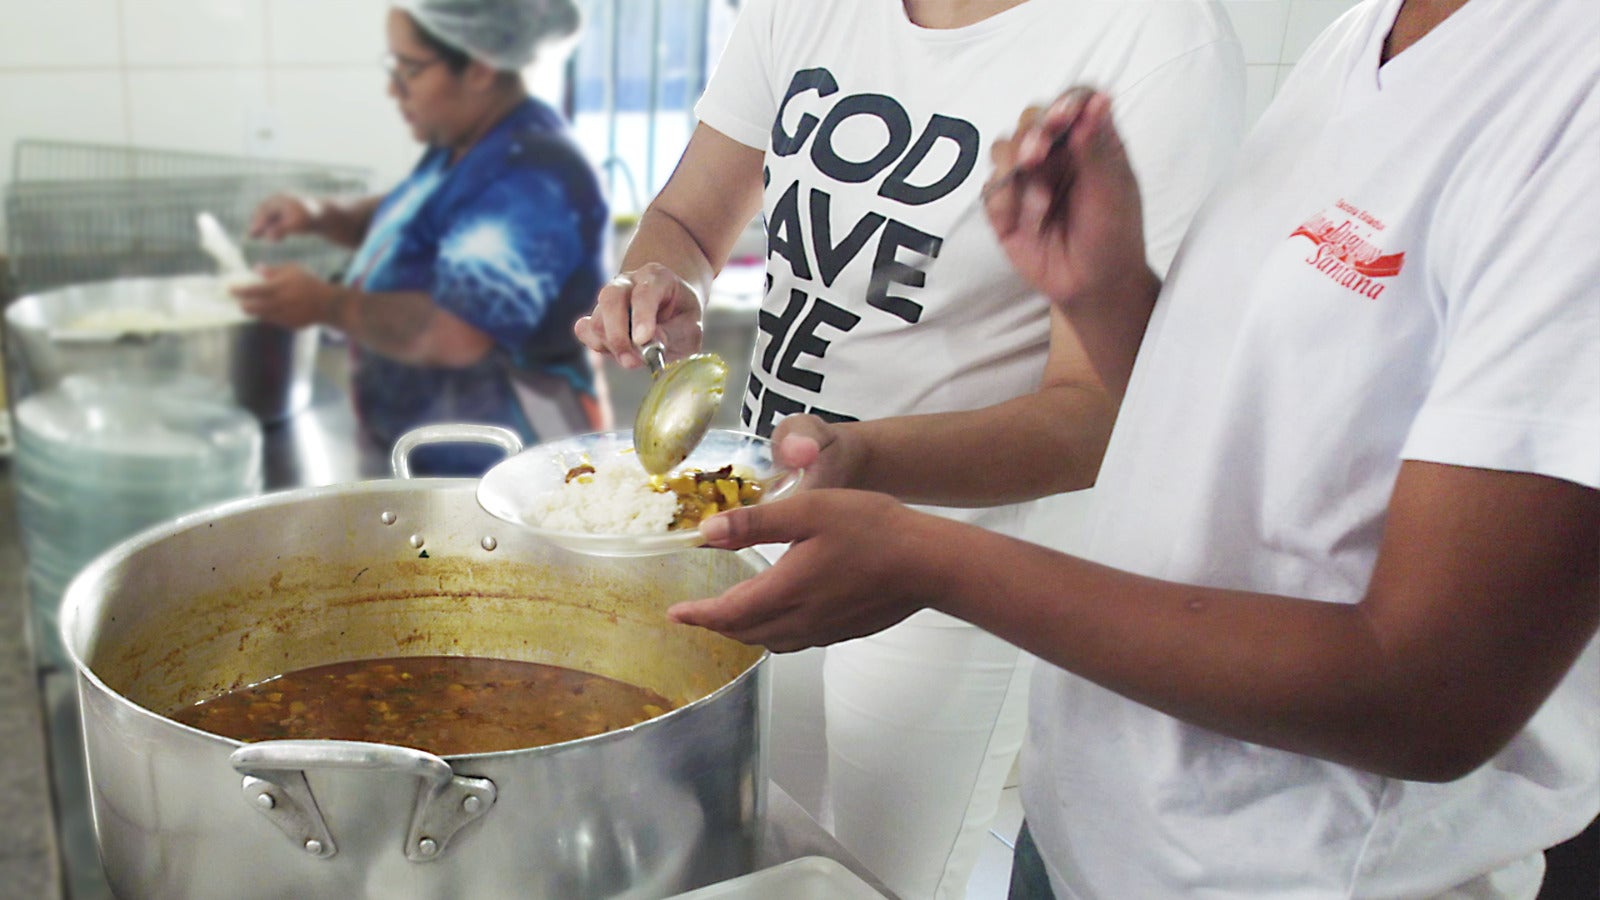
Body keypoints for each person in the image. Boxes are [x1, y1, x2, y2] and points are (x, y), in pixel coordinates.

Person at [663, 0, 1600, 896]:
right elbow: (1227, 425)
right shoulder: (1365, 40)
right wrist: (1106, 293)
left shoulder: (1567, 106)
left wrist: (936, 560)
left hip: (1287, 872)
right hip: (1096, 828)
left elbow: (1429, 694)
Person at [575, 1, 1245, 896]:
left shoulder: (1153, 39)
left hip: (957, 562)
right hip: (758, 506)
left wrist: (862, 458)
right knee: (749, 845)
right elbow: (690, 224)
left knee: (873, 876)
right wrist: (655, 278)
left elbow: (1098, 412)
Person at [238, 0, 609, 476]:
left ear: (478, 67)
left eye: (409, 69)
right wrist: (321, 215)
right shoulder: (464, 145)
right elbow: (412, 221)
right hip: (433, 462)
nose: (393, 89)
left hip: (507, 475)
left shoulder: (530, 175)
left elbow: (456, 333)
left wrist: (328, 305)